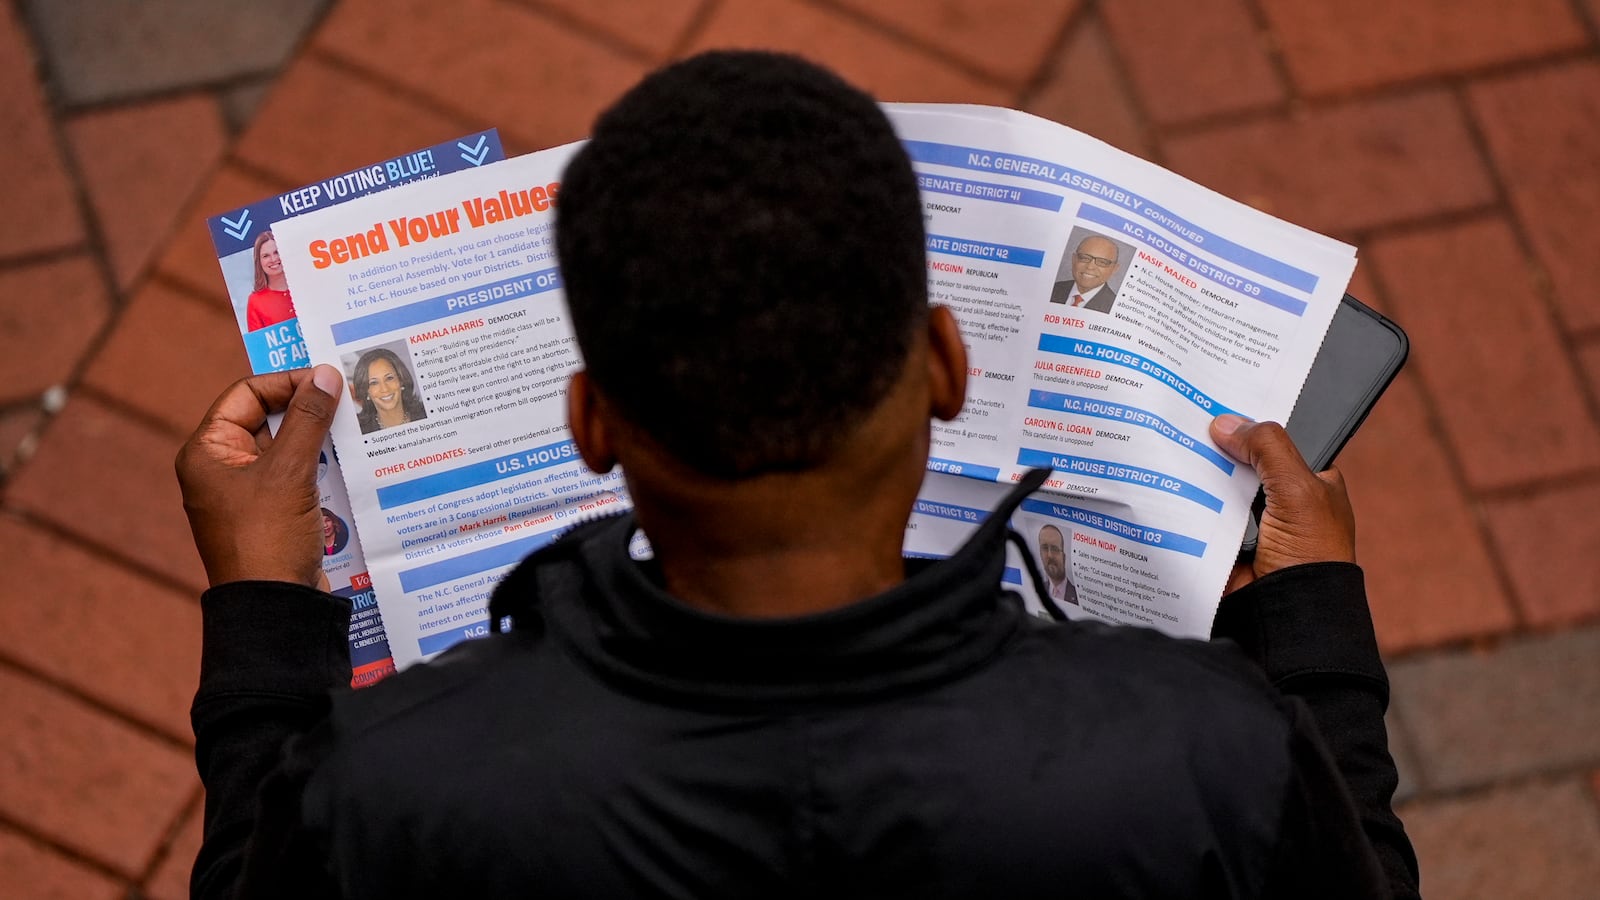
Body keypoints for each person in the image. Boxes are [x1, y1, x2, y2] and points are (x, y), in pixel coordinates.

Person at [178, 52, 1418, 898]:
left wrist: (264, 636)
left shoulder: (385, 788)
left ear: (592, 423)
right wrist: (1305, 636)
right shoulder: (1213, 751)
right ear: (943, 363)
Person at [351, 347, 426, 433]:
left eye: (389, 378)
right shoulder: (357, 430)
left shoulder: (426, 413)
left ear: (401, 380)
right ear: (366, 391)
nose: (385, 389)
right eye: (374, 383)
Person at [1048, 233, 1121, 312]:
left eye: (1102, 262)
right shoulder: (1052, 288)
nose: (1090, 267)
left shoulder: (1115, 308)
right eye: (1084, 258)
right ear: (1074, 259)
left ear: (1114, 269)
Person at [244, 231, 296, 331]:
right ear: (259, 261)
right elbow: (259, 344)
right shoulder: (255, 301)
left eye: (277, 252)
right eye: (266, 256)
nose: (273, 259)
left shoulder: (305, 286)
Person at [1036, 523, 1079, 607]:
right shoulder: (1038, 589)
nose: (1049, 555)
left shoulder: (1077, 595)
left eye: (1054, 549)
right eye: (1044, 548)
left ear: (1064, 557)